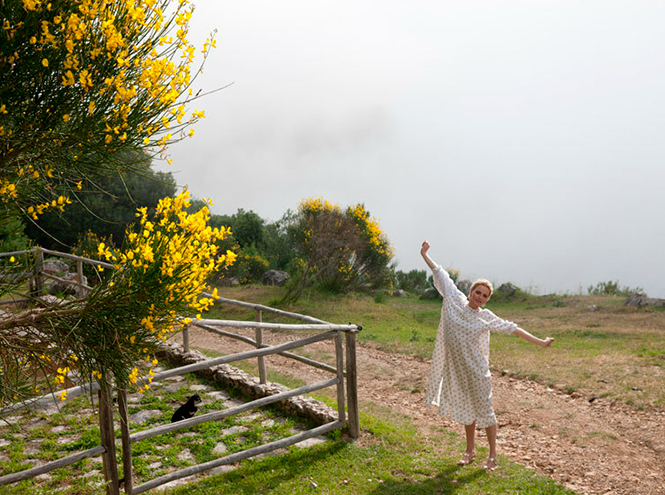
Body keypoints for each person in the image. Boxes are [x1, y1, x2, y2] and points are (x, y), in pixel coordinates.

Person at [420, 240, 554, 471]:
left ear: (487, 300)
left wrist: (541, 342)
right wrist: (424, 254)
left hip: (478, 371)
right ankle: (469, 451)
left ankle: (493, 455)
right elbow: (440, 273)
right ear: (470, 291)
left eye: (484, 296)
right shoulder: (453, 299)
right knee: (466, 409)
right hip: (458, 369)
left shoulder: (486, 316)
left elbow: (513, 328)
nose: (479, 297)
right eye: (477, 292)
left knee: (485, 412)